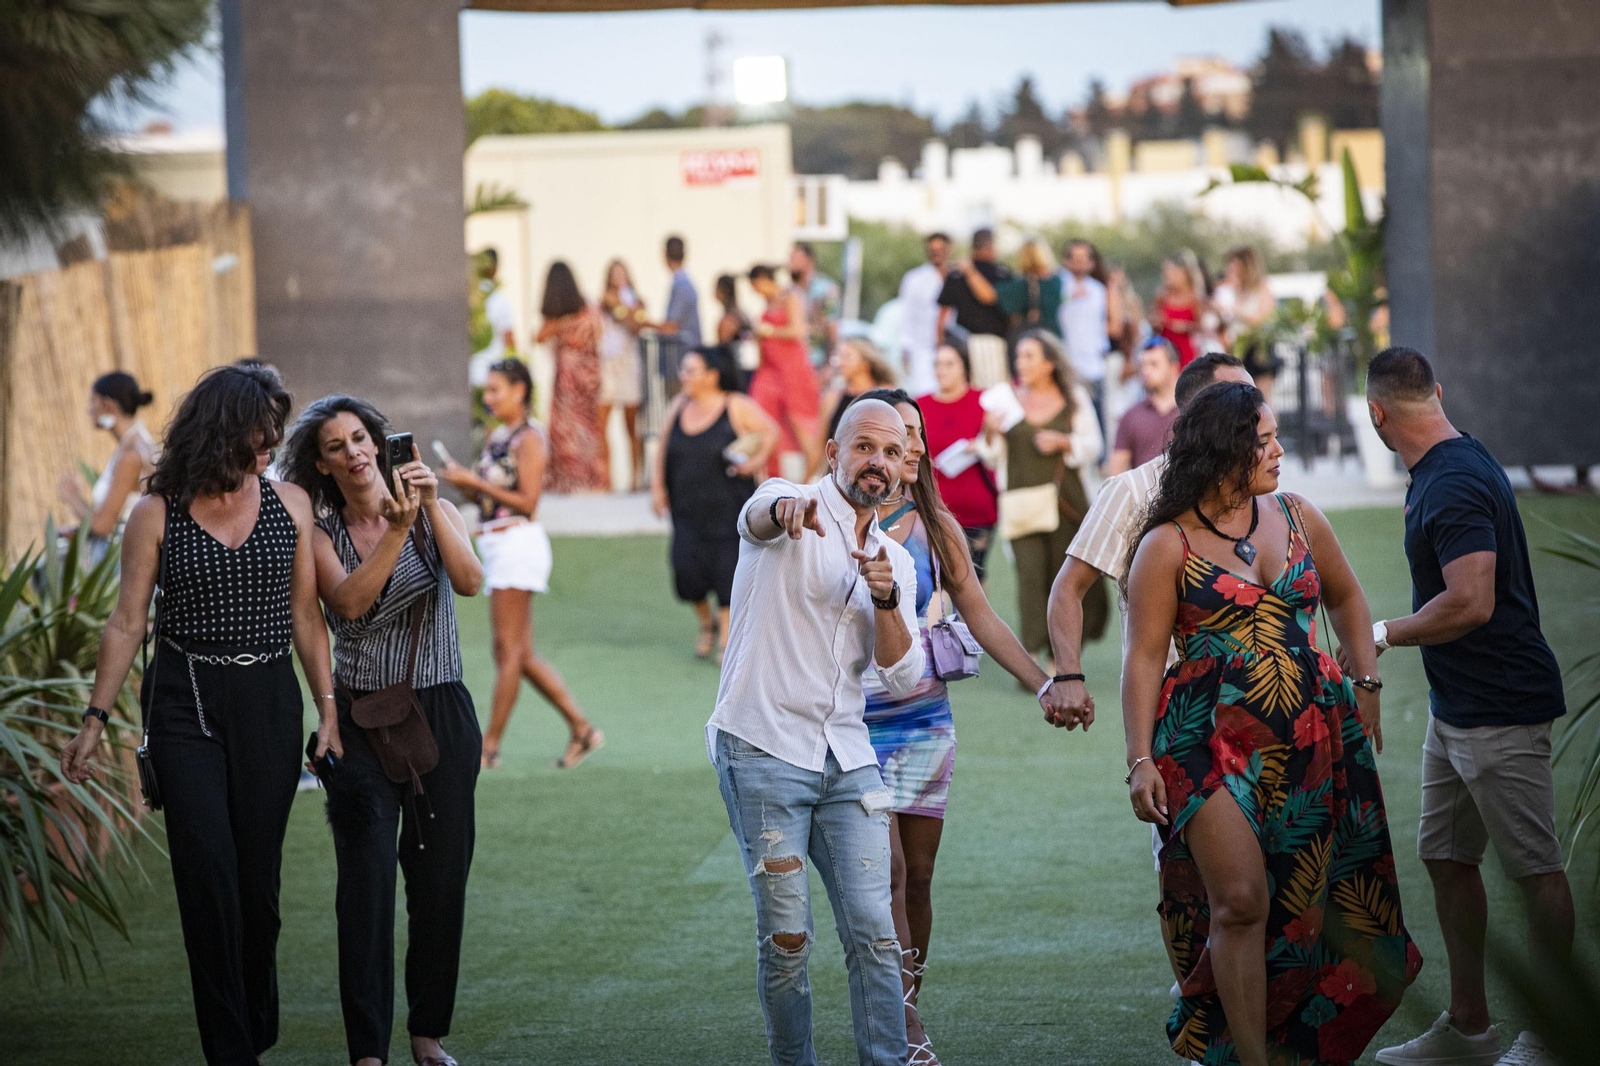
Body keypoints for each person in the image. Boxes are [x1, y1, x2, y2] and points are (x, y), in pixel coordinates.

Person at [1120, 380, 1420, 1066]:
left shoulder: (1300, 514)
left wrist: (1365, 683)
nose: (1280, 450)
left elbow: (1346, 598)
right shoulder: (1166, 545)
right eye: (1264, 439)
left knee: (1307, 902)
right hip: (1206, 740)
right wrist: (1139, 759)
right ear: (1224, 448)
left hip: (1314, 735)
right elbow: (1140, 660)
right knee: (1242, 901)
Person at [59, 364, 339, 1066]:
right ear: (222, 433)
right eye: (259, 433)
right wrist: (94, 720)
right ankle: (230, 1052)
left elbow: (308, 617)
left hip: (269, 703)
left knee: (257, 888)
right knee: (207, 877)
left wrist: (327, 710)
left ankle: (254, 1022)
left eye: (275, 434)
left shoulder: (293, 505)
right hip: (185, 704)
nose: (270, 445)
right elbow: (126, 624)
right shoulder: (156, 513)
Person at [852, 386, 1078, 1066]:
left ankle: (905, 998)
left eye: (914, 436)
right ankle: (906, 1025)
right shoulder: (836, 517)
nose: (911, 447)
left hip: (924, 724)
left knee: (917, 877)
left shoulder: (935, 524)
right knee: (887, 872)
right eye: (896, 436)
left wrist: (1044, 682)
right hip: (851, 729)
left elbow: (980, 614)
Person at [1360, 348, 1572, 1066]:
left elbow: (1472, 601)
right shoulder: (1457, 457)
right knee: (1447, 858)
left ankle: (1555, 1035)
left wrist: (1384, 632)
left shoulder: (1450, 482)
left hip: (1502, 708)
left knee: (1535, 870)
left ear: (1376, 414)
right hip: (1456, 709)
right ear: (1437, 394)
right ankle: (1470, 1029)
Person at [707, 397, 924, 1066]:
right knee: (788, 937)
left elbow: (902, 676)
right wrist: (786, 512)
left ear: (903, 472)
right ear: (834, 452)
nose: (877, 463)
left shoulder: (899, 561)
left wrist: (886, 601)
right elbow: (756, 513)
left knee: (877, 934)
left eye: (891, 453)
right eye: (864, 447)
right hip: (762, 746)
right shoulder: (788, 500)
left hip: (847, 759)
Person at [281, 395, 484, 1066]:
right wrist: (395, 532)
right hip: (362, 720)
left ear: (381, 444)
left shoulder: (435, 512)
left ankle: (427, 1034)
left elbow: (471, 580)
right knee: (364, 890)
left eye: (362, 437)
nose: (356, 451)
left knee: (440, 881)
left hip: (441, 713)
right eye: (337, 445)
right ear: (322, 463)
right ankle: (368, 1050)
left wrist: (428, 508)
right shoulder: (319, 535)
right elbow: (349, 604)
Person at [1047, 353, 1254, 731]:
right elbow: (1067, 589)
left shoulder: (1265, 493)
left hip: (1265, 704)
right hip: (1176, 712)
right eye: (1239, 396)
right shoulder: (1131, 490)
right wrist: (1069, 677)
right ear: (1197, 413)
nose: (1254, 409)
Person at [439, 359, 601, 771]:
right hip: (498, 544)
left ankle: (488, 747)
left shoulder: (530, 439)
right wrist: (469, 487)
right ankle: (582, 730)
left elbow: (528, 502)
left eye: (496, 390)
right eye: (487, 391)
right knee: (519, 654)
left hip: (517, 544)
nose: (489, 398)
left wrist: (475, 483)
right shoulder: (499, 434)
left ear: (520, 391)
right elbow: (491, 499)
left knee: (507, 652)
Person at [651, 344, 779, 663]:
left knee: (726, 575)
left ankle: (725, 638)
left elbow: (770, 432)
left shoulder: (735, 405)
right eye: (684, 370)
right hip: (687, 506)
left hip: (729, 507)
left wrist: (755, 463)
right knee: (686, 572)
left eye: (691, 370)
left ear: (712, 375)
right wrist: (657, 489)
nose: (684, 376)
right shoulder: (679, 405)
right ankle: (705, 623)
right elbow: (663, 449)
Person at [990, 330, 1105, 666]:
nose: (1020, 363)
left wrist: (1064, 442)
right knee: (1029, 575)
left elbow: (1094, 446)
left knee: (1065, 576)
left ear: (1050, 363)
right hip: (1020, 501)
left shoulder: (1074, 399)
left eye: (1029, 356)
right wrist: (990, 432)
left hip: (1065, 501)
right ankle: (1031, 654)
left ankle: (1062, 655)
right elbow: (990, 453)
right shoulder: (1006, 399)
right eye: (1019, 356)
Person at [918, 337, 998, 580]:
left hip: (977, 511)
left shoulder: (984, 401)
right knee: (933, 580)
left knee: (972, 582)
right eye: (938, 364)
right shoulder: (920, 405)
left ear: (964, 366)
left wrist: (987, 439)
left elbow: (999, 454)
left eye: (949, 364)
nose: (941, 370)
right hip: (932, 508)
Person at [58, 370, 159, 561]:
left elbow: (104, 526)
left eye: (93, 401)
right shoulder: (138, 443)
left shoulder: (131, 454)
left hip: (124, 561)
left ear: (107, 404)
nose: (89, 409)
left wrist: (71, 496)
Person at [535, 260, 607, 493]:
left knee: (564, 428)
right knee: (589, 428)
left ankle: (568, 481)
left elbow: (538, 337)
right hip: (589, 376)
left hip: (567, 377)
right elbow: (599, 335)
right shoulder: (588, 307)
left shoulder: (556, 317)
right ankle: (590, 480)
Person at [748, 263, 822, 479]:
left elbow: (797, 330)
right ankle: (769, 480)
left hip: (793, 371)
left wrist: (768, 330)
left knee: (803, 427)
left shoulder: (790, 297)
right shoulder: (765, 307)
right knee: (763, 424)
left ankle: (810, 481)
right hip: (770, 373)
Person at [937, 227, 1012, 388]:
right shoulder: (1001, 273)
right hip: (989, 342)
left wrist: (940, 343)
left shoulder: (959, 272)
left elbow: (942, 315)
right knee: (991, 391)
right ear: (990, 245)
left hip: (963, 342)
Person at [598, 258, 649, 490]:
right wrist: (630, 313)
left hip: (628, 364)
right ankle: (605, 478)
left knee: (631, 426)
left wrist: (627, 312)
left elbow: (635, 324)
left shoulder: (635, 299)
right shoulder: (604, 300)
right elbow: (627, 317)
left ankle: (636, 479)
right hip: (609, 365)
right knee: (602, 425)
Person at [1057, 239, 1115, 433]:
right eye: (1075, 258)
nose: (1079, 263)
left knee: (1097, 423)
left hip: (1093, 367)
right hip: (1066, 364)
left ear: (1091, 263)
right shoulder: (1058, 285)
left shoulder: (1099, 290)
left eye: (1084, 258)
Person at [1108, 338, 1182, 475]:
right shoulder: (1131, 416)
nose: (1146, 371)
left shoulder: (1192, 412)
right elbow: (1114, 475)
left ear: (1173, 367)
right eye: (1143, 365)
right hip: (1144, 495)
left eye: (1153, 364)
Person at [1214, 246, 1279, 397]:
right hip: (1238, 349)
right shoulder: (1236, 290)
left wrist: (1233, 309)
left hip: (1258, 350)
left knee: (1263, 399)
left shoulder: (1262, 287)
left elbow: (1262, 318)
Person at [821, 335, 898, 452]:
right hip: (840, 468)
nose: (840, 362)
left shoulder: (888, 395)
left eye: (847, 356)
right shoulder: (832, 397)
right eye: (839, 356)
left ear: (865, 362)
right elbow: (819, 446)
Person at [896, 232, 951, 397]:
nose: (937, 253)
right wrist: (905, 347)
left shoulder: (956, 276)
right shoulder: (914, 279)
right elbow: (906, 316)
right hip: (923, 349)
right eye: (933, 250)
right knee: (926, 395)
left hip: (952, 347)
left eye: (941, 249)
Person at [996, 239, 1065, 368]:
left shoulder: (1022, 284)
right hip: (1053, 337)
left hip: (1030, 339)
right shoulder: (1058, 280)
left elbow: (992, 295)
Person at [656, 235, 702, 400]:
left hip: (681, 361)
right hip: (682, 361)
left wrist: (639, 322)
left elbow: (671, 326)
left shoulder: (682, 284)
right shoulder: (682, 282)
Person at [469, 248, 517, 389]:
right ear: (495, 268)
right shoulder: (499, 299)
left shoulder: (469, 297)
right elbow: (509, 339)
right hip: (491, 376)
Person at [790, 240, 840, 369]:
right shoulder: (790, 291)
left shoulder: (825, 288)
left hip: (818, 361)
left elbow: (832, 327)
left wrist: (829, 365)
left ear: (809, 260)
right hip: (796, 362)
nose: (791, 262)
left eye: (796, 258)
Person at [1150, 255, 1204, 368]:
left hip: (1186, 350)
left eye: (1174, 272)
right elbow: (1153, 320)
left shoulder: (1195, 296)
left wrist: (1185, 327)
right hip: (1166, 348)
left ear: (1186, 274)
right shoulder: (1162, 295)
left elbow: (1202, 327)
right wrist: (1157, 322)